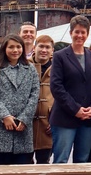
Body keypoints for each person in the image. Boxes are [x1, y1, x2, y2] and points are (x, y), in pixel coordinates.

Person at [50, 15, 91, 163]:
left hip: (88, 119)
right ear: (71, 33)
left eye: (83, 32)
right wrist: (75, 110)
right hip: (65, 118)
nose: (80, 35)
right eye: (77, 32)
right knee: (61, 160)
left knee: (82, 161)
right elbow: (56, 86)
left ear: (87, 34)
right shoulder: (60, 56)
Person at [0, 34, 40, 165]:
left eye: (18, 47)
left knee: (23, 167)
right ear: (5, 49)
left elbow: (34, 94)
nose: (15, 50)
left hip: (23, 127)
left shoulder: (30, 69)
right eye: (11, 47)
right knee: (2, 168)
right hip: (2, 127)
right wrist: (4, 116)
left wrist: (25, 118)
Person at [31, 35, 55, 164]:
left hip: (48, 124)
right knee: (24, 164)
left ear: (52, 51)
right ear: (34, 48)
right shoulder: (25, 65)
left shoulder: (58, 68)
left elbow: (62, 96)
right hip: (27, 125)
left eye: (47, 47)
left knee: (44, 162)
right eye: (41, 46)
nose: (44, 50)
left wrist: (55, 120)